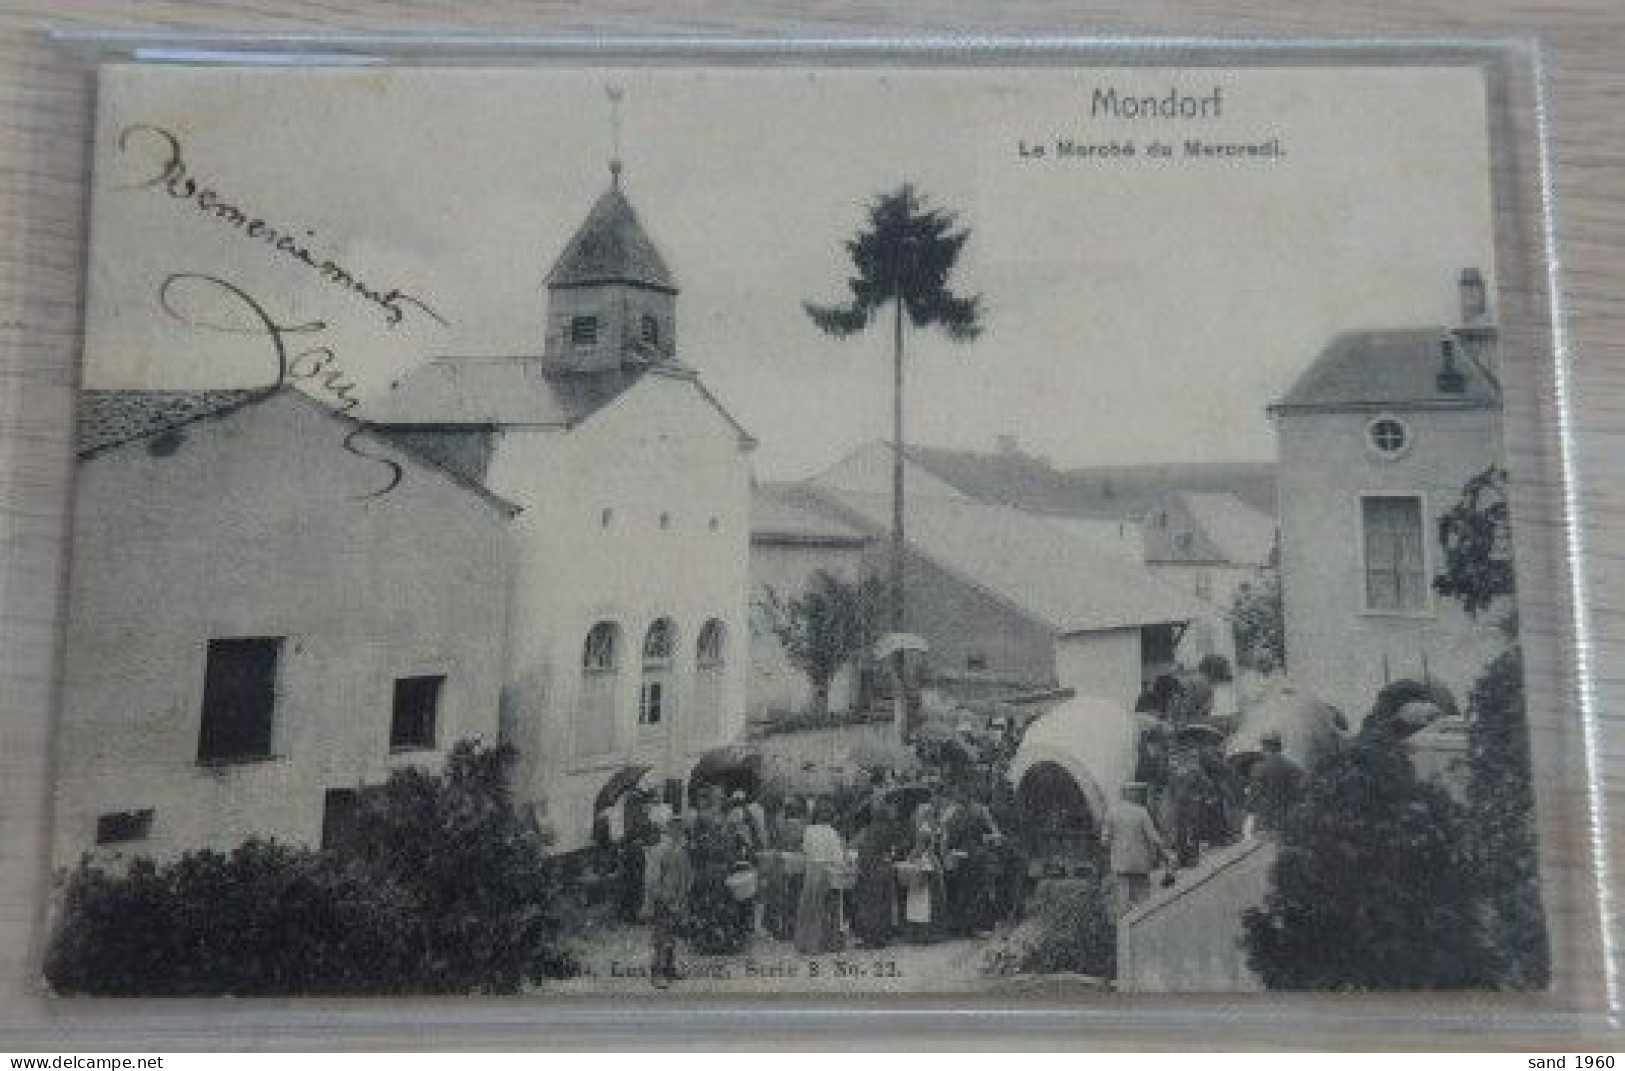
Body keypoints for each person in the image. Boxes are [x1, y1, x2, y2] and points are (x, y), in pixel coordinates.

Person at [684, 785, 753, 954]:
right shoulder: (705, 817)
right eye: (719, 796)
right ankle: (713, 942)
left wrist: (738, 840)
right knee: (713, 904)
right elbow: (697, 843)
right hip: (711, 866)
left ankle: (717, 942)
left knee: (719, 904)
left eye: (722, 796)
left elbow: (732, 842)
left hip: (719, 866)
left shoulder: (725, 818)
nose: (721, 799)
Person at [1102, 782, 1170, 918]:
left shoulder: (1111, 813)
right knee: (1143, 905)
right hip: (1140, 865)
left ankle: (1124, 935)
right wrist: (1165, 854)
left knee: (1122, 905)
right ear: (1132, 794)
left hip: (1120, 865)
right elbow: (1153, 837)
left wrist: (1115, 849)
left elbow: (1104, 840)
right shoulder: (1141, 812)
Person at [643, 806, 691, 989]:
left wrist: (682, 896)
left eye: (681, 826)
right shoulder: (659, 850)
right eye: (674, 825)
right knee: (661, 937)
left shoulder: (680, 847)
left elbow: (685, 873)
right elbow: (652, 879)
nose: (679, 829)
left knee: (672, 935)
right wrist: (651, 901)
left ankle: (670, 968)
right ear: (666, 827)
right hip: (663, 899)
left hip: (677, 897)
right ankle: (657, 973)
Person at [850, 800, 905, 948]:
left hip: (871, 871)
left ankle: (870, 939)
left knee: (870, 905)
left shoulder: (869, 830)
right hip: (885, 870)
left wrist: (860, 866)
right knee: (884, 904)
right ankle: (882, 938)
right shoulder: (890, 829)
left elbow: (863, 852)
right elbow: (893, 850)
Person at [794, 800, 847, 954]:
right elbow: (838, 858)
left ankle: (807, 943)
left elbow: (805, 850)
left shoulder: (808, 830)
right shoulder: (832, 832)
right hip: (827, 871)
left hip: (811, 872)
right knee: (830, 908)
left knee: (810, 908)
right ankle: (830, 942)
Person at [1246, 730, 1306, 835]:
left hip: (1266, 817)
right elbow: (1302, 791)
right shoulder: (1292, 766)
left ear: (1264, 745)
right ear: (1279, 746)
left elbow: (1255, 792)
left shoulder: (1259, 767)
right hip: (1288, 815)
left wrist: (1249, 805)